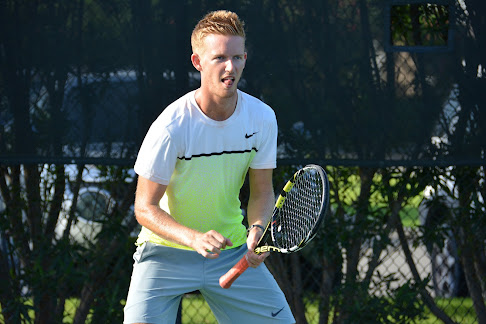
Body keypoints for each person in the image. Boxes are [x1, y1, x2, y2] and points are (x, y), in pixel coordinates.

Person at [124, 10, 295, 324]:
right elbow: (144, 208)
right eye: (219, 58)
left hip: (231, 252)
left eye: (238, 57)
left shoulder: (261, 118)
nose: (231, 67)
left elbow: (261, 193)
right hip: (164, 254)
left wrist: (257, 231)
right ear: (197, 62)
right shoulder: (171, 126)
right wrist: (193, 238)